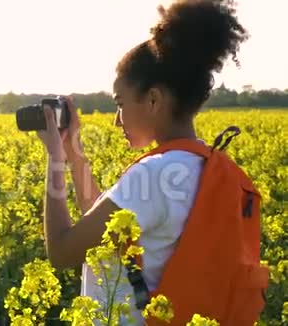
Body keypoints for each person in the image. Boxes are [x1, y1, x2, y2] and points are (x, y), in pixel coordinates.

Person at [37, 0, 249, 324]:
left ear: (153, 99)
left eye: (120, 104)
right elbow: (104, 229)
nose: (116, 121)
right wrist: (73, 154)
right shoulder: (201, 166)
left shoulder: (153, 176)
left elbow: (63, 251)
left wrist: (54, 159)